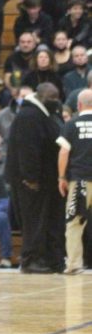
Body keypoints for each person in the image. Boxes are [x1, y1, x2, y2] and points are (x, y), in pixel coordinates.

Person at [6, 83, 66, 274]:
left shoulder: (47, 115)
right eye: (51, 99)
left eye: (56, 98)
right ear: (40, 97)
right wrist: (30, 177)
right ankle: (31, 260)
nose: (55, 102)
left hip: (48, 179)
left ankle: (52, 259)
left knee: (50, 220)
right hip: (31, 181)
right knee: (34, 221)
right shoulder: (29, 116)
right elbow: (28, 150)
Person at [57, 88, 92, 274]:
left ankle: (73, 264)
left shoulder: (71, 124)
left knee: (74, 222)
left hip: (79, 181)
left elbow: (64, 152)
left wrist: (62, 177)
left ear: (78, 105)